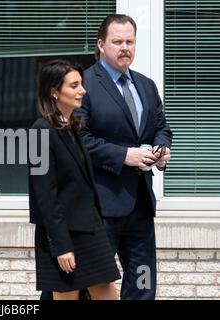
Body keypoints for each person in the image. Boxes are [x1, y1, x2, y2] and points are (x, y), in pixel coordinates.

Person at [77, 14, 173, 300]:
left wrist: (161, 148)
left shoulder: (146, 85)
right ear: (101, 45)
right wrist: (124, 155)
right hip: (100, 207)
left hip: (140, 207)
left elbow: (162, 128)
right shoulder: (83, 85)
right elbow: (78, 140)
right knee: (93, 284)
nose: (125, 48)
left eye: (130, 42)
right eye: (117, 42)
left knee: (142, 282)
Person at [29, 59, 120, 300]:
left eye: (81, 84)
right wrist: (61, 245)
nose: (83, 90)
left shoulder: (71, 127)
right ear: (54, 92)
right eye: (74, 85)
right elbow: (45, 195)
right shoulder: (40, 132)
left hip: (89, 230)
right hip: (64, 234)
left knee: (108, 295)